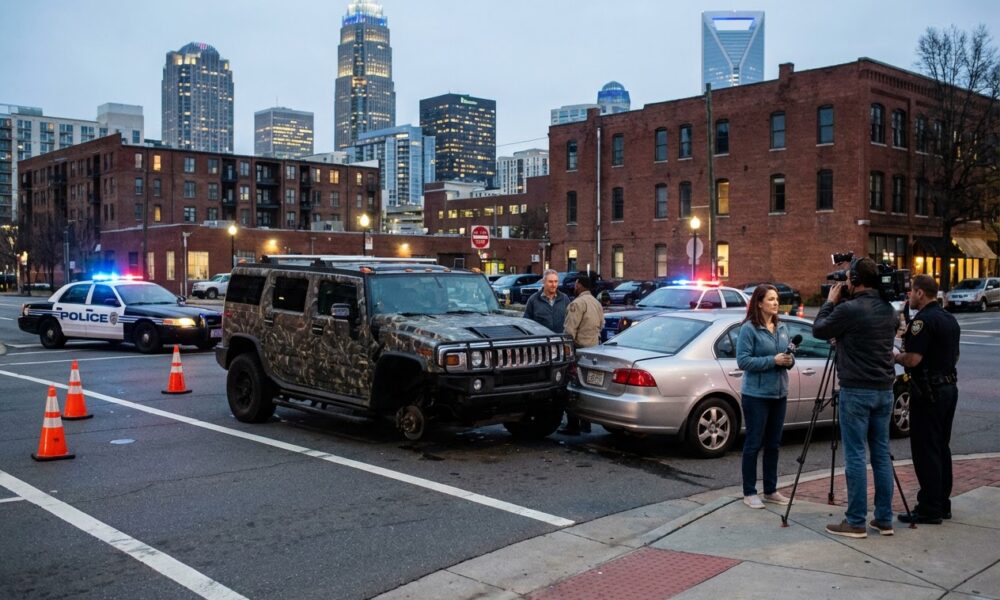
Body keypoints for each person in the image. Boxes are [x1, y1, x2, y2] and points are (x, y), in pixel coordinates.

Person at [813, 257, 898, 538]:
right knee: (882, 455)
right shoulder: (888, 310)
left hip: (857, 390)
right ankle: (884, 518)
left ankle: (856, 521)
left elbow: (820, 329)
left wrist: (830, 300)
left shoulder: (850, 310)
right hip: (884, 390)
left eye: (848, 279)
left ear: (855, 281)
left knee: (856, 455)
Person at [894, 274, 961, 524]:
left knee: (925, 449)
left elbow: (913, 359)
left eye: (912, 291)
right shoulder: (948, 318)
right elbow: (954, 356)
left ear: (921, 293)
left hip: (928, 391)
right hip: (948, 388)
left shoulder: (923, 321)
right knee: (941, 447)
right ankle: (942, 502)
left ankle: (929, 507)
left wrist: (895, 357)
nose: (909, 296)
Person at [736, 285, 795, 509]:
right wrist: (773, 361)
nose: (775, 303)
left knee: (774, 444)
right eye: (770, 299)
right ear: (759, 303)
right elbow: (743, 361)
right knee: (753, 443)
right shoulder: (749, 329)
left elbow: (788, 356)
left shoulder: (782, 327)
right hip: (756, 395)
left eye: (777, 299)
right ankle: (749, 491)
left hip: (779, 393)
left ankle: (771, 489)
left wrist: (789, 361)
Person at [561, 272, 603, 435]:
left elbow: (569, 331)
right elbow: (601, 324)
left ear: (580, 285)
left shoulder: (577, 303)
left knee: (572, 389)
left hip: (577, 352)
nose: (574, 287)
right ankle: (586, 423)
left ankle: (573, 425)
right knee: (587, 387)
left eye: (576, 284)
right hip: (593, 351)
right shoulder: (596, 303)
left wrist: (566, 351)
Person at [523, 269, 570, 333]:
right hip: (541, 340)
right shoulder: (533, 299)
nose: (554, 285)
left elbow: (571, 321)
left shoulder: (564, 298)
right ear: (543, 282)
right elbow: (527, 322)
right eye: (550, 282)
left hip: (560, 339)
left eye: (556, 281)